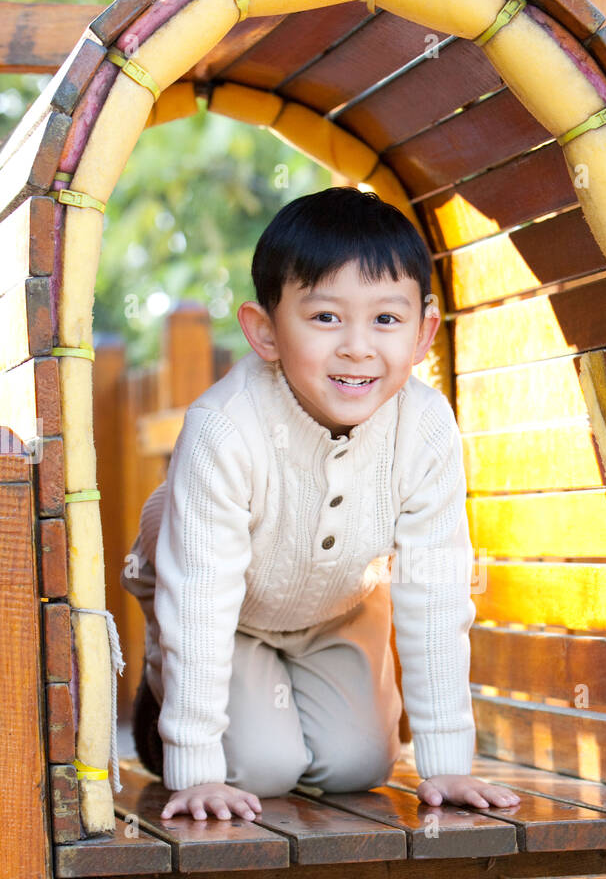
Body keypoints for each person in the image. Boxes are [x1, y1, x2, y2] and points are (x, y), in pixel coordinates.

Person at [120, 185, 520, 824]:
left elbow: (435, 587)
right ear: (265, 331)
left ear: (424, 334)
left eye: (386, 320)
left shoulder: (426, 427)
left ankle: (293, 696)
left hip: (335, 603)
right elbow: (200, 594)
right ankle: (161, 704)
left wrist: (448, 761)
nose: (358, 347)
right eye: (326, 317)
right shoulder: (225, 427)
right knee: (259, 771)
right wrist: (193, 765)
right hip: (220, 599)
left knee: (358, 766)